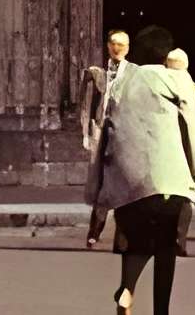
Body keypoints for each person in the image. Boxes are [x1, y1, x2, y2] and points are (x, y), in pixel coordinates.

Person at [87, 23, 195, 315]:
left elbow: (105, 131)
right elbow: (192, 127)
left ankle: (127, 288)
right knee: (165, 247)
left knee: (135, 240)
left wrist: (100, 183)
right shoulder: (176, 78)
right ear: (167, 54)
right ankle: (160, 311)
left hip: (128, 181)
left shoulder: (122, 82)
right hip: (168, 179)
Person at [81, 27, 130, 248]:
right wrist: (87, 133)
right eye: (113, 43)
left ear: (127, 48)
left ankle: (123, 236)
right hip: (102, 131)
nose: (116, 47)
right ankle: (94, 231)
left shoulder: (133, 74)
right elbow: (86, 105)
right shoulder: (97, 73)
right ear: (108, 46)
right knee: (102, 183)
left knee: (122, 185)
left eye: (121, 44)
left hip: (123, 134)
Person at [165, 50, 195, 257]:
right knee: (183, 197)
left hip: (169, 151)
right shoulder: (192, 88)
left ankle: (172, 239)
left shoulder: (161, 86)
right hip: (183, 152)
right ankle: (177, 239)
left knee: (172, 196)